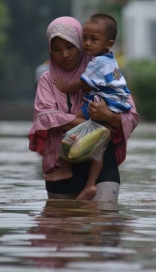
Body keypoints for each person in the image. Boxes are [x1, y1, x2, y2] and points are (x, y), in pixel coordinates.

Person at [28, 16, 139, 202]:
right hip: (60, 164)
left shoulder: (106, 70)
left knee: (103, 222)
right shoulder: (47, 80)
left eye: (70, 47)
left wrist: (108, 116)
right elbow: (46, 118)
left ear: (81, 44)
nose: (64, 55)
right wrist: (100, 127)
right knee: (61, 228)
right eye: (56, 49)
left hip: (102, 163)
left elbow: (131, 115)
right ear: (50, 51)